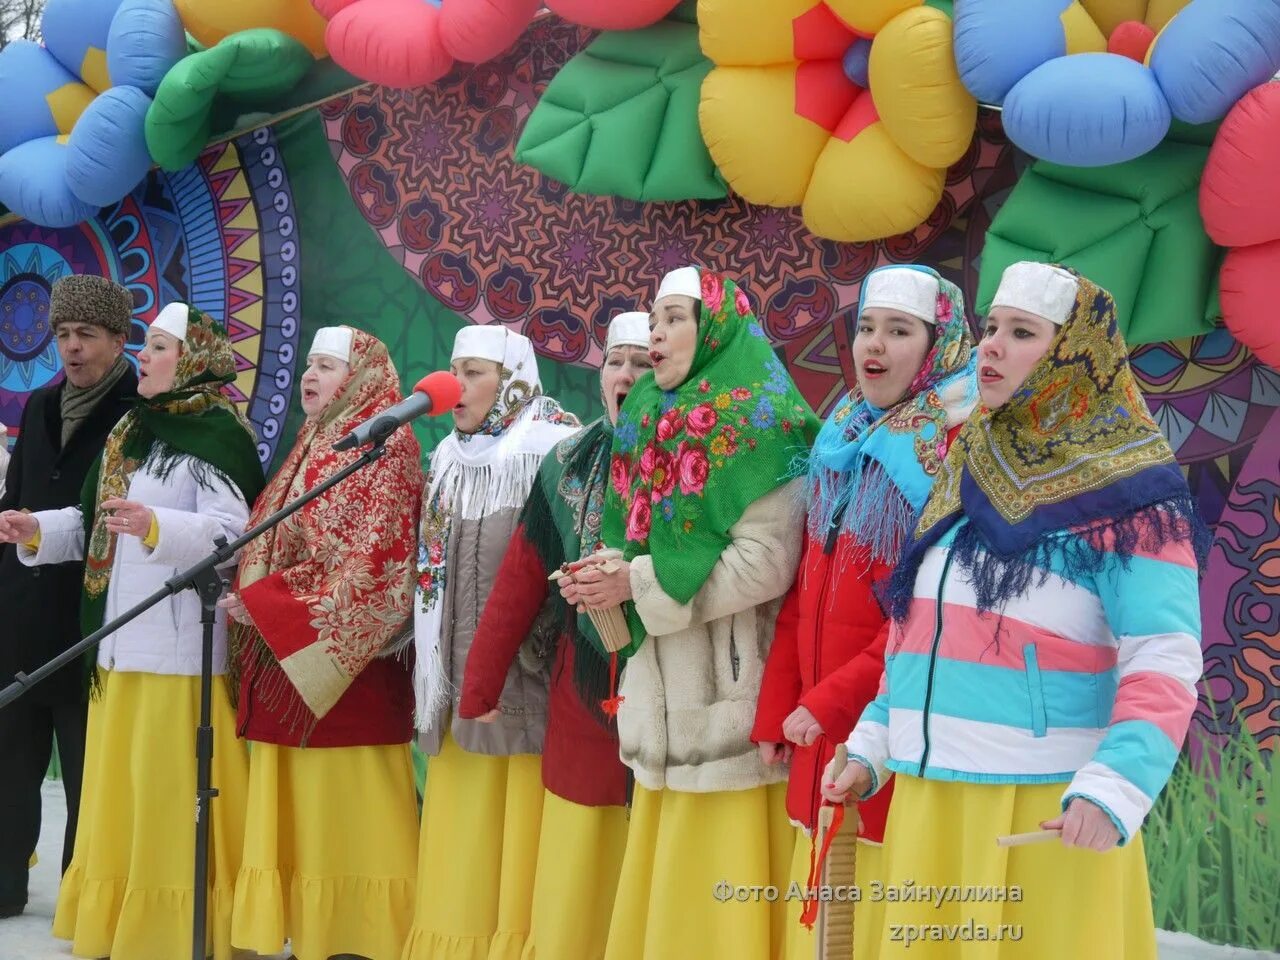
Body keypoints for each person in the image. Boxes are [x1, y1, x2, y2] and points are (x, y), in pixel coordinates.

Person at [826, 262, 1208, 958]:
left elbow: (1165, 653)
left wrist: (1114, 789)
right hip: (928, 800)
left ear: (1074, 355)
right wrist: (876, 739)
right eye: (991, 327)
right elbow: (921, 629)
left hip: (1044, 808)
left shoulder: (1134, 488)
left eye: (1022, 332)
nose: (990, 346)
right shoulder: (968, 462)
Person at [565, 266, 820, 960]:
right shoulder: (649, 413)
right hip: (661, 697)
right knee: (669, 895)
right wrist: (602, 576)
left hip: (730, 702)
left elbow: (768, 563)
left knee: (722, 898)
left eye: (676, 316)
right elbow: (634, 537)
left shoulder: (763, 417)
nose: (657, 332)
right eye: (653, 318)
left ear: (716, 325)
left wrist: (637, 584)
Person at [1, 302, 264, 959]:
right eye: (146, 347)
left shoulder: (217, 435)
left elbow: (234, 536)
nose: (143, 358)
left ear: (193, 360)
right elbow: (98, 520)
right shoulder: (133, 431)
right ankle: (119, 916)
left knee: (170, 798)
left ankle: (174, 925)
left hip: (178, 655)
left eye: (158, 347)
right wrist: (40, 530)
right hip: (119, 648)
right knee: (123, 799)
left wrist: (156, 526)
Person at [752, 265, 977, 958]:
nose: (873, 345)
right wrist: (777, 708)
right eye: (867, 327)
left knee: (877, 923)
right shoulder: (843, 434)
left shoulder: (954, 449)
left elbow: (925, 618)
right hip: (815, 727)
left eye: (900, 330)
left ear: (939, 344)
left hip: (890, 731)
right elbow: (804, 592)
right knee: (821, 928)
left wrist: (831, 699)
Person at [222, 326, 424, 960]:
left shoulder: (387, 445)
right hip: (289, 660)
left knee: (350, 813)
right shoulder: (313, 440)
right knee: (302, 811)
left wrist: (264, 604)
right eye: (308, 363)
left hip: (349, 671)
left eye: (327, 365)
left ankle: (362, 933)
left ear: (361, 378)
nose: (310, 375)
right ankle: (311, 930)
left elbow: (373, 568)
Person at [457, 311, 652, 960]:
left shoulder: (693, 461)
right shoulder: (568, 463)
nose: (626, 375)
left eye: (643, 363)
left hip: (665, 694)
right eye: (616, 363)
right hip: (581, 692)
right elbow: (520, 579)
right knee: (578, 867)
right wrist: (479, 683)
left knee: (650, 864)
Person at [404, 325, 580, 960]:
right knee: (464, 840)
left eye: (474, 372)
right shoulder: (451, 456)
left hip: (522, 691)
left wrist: (528, 654)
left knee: (519, 842)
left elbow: (561, 574)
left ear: (511, 380)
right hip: (455, 689)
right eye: (454, 370)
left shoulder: (553, 447)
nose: (457, 386)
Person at [0, 275, 137, 920]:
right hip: (20, 616)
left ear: (119, 338)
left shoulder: (141, 411)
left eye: (86, 334)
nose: (72, 348)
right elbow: (16, 497)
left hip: (93, 622)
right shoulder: (40, 406)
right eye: (62, 334)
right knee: (10, 761)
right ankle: (3, 886)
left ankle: (83, 901)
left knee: (89, 772)